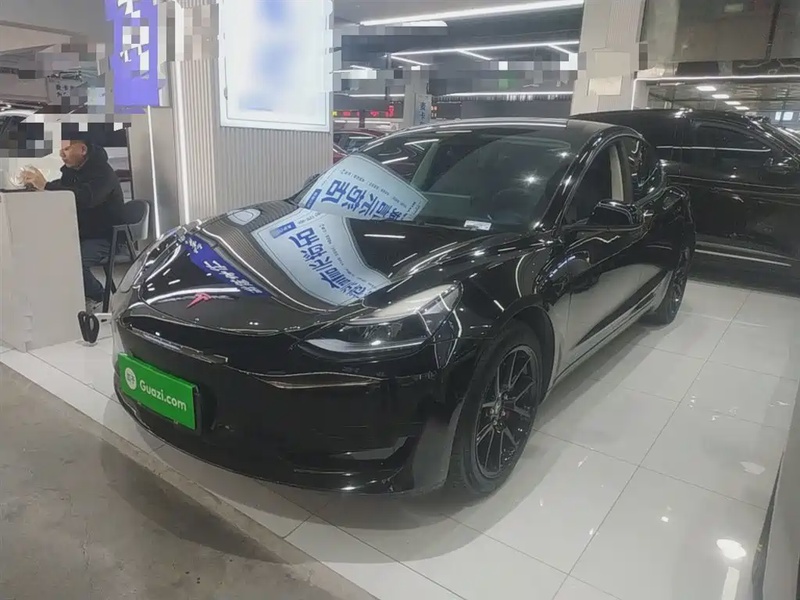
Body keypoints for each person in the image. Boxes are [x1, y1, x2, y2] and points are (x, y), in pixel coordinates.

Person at [22, 136, 124, 311]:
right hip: (81, 234)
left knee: (74, 262)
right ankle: (74, 298)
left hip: (105, 236)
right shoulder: (72, 173)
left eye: (67, 149)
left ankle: (100, 298)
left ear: (83, 150)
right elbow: (61, 190)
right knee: (51, 255)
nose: (61, 154)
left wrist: (45, 186)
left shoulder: (103, 173)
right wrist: (37, 187)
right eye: (61, 150)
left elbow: (85, 198)